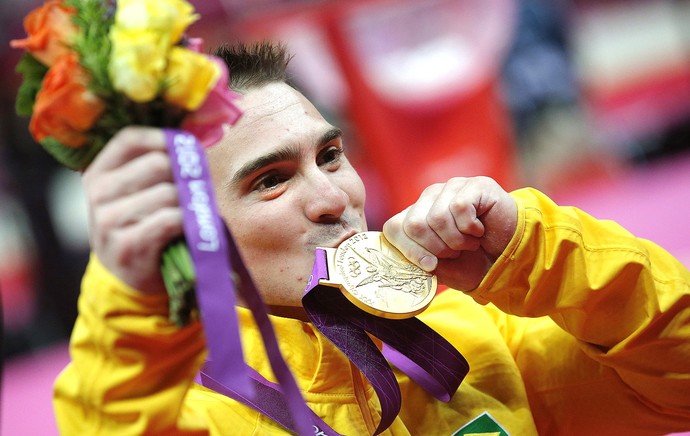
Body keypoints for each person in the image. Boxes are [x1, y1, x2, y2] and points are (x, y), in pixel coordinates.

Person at [53, 41, 690, 435]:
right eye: (271, 181)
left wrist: (536, 252)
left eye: (330, 156)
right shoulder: (187, 413)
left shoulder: (466, 329)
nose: (335, 199)